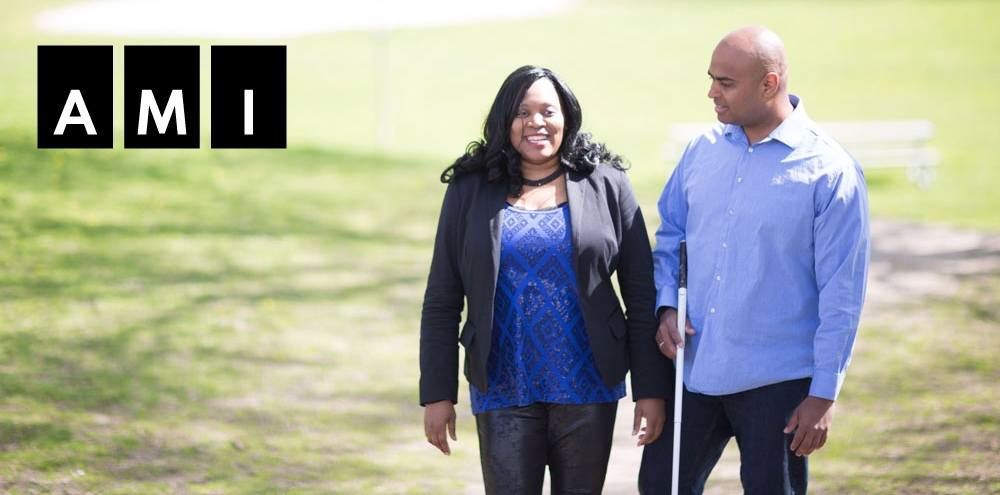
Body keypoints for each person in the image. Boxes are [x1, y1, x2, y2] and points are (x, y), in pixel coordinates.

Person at [638, 25, 870, 494]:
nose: (711, 93)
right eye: (711, 79)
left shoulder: (831, 173)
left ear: (770, 83)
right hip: (695, 367)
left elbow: (841, 295)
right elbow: (671, 235)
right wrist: (666, 305)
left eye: (726, 82)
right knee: (659, 487)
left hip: (778, 383)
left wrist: (823, 393)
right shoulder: (701, 151)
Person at [420, 65, 672, 494]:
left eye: (547, 111)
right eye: (522, 112)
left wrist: (650, 389)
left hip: (589, 384)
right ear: (504, 121)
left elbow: (640, 293)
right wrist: (437, 393)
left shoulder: (607, 184)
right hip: (501, 384)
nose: (536, 122)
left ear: (567, 118)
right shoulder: (469, 188)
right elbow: (443, 298)